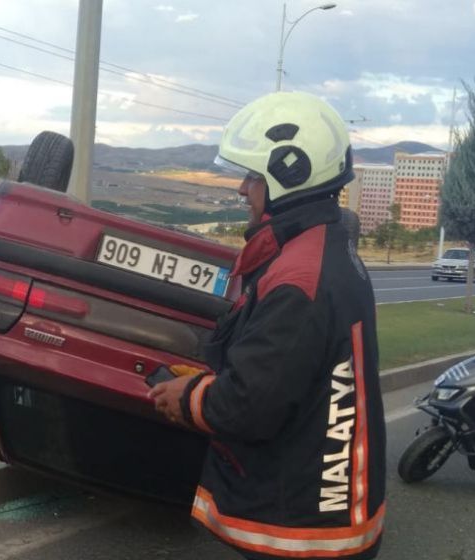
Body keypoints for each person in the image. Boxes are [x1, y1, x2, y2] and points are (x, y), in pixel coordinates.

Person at [149, 92, 386, 560]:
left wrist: (190, 396)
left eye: (253, 177)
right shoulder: (324, 246)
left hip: (307, 530)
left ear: (290, 175)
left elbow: (249, 405)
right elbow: (289, 370)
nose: (242, 189)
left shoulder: (298, 279)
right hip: (329, 513)